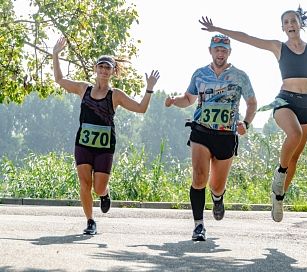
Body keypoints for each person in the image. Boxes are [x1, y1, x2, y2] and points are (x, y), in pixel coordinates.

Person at [199, 7, 307, 222]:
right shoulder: (278, 47)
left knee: (295, 158)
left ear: (300, 24)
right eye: (286, 22)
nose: (291, 24)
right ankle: (279, 173)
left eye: (294, 20)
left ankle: (278, 196)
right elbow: (247, 38)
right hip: (285, 100)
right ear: (283, 27)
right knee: (294, 134)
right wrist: (216, 28)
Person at [52, 37, 160, 235]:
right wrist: (56, 54)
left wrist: (149, 89)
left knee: (99, 187)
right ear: (95, 69)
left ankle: (105, 194)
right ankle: (90, 221)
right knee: (84, 184)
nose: (103, 71)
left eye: (107, 68)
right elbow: (59, 80)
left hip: (104, 146)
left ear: (113, 71)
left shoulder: (115, 95)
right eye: (101, 67)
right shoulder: (83, 89)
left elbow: (141, 109)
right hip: (83, 143)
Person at [165, 34, 257, 241]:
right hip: (202, 130)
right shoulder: (200, 74)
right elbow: (188, 98)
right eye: (217, 50)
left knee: (216, 185)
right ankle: (198, 226)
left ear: (229, 52)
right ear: (211, 51)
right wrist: (174, 101)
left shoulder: (240, 76)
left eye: (224, 50)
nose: (220, 53)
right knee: (199, 177)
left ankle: (217, 198)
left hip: (226, 135)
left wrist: (247, 123)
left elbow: (252, 103)